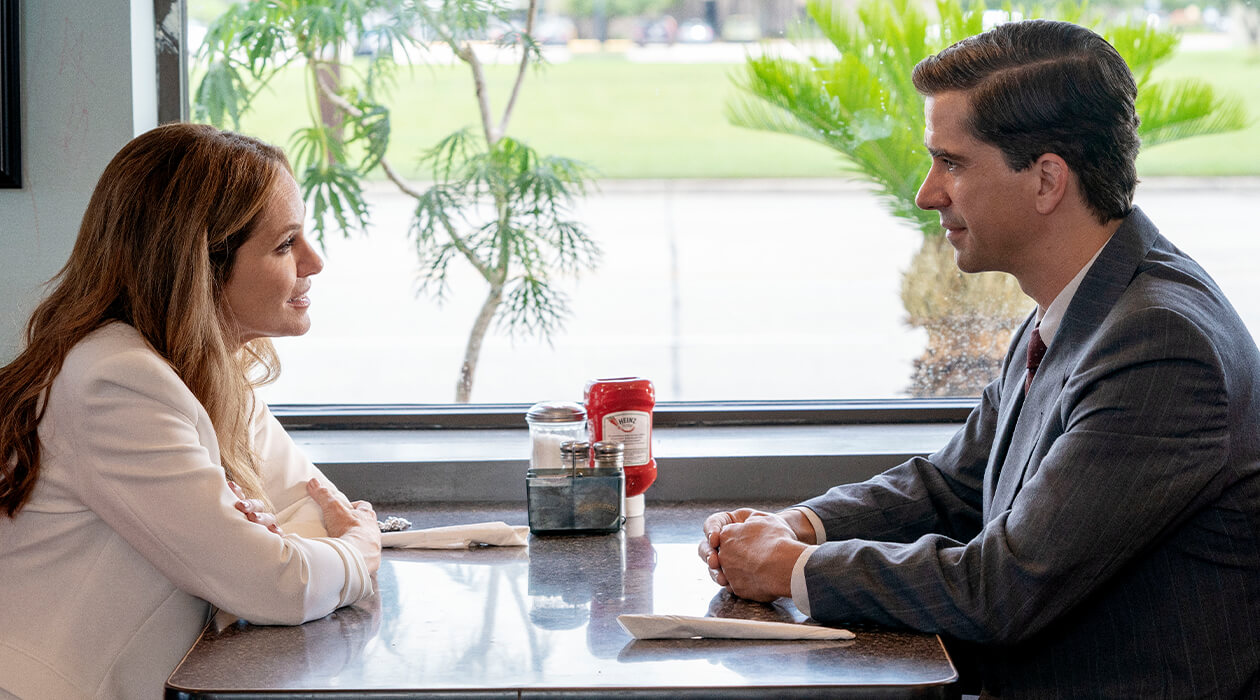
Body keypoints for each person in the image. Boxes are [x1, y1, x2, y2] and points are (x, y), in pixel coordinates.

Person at [698, 19, 1260, 698]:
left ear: (1047, 180)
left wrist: (794, 568)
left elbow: (1002, 589)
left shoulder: (1163, 347)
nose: (927, 191)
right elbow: (954, 485)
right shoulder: (1086, 301)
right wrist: (796, 524)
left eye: (952, 163)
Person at [0, 124, 382, 699]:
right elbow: (278, 583)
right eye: (285, 244)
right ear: (199, 265)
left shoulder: (213, 376)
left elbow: (312, 513)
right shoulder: (114, 380)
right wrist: (354, 553)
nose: (315, 261)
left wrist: (276, 546)